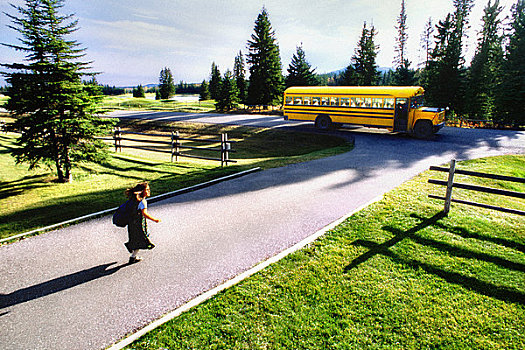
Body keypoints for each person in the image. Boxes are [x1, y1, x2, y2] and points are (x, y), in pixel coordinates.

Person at [124, 182, 161, 263]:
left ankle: (131, 248)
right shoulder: (143, 202)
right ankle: (133, 256)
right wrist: (155, 220)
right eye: (147, 190)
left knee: (136, 238)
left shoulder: (134, 199)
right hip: (139, 224)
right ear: (142, 191)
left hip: (132, 223)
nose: (149, 191)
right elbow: (145, 214)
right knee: (141, 239)